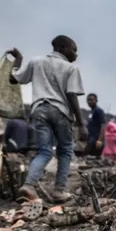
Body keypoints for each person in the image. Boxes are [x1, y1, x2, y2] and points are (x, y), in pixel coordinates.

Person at [6, 35, 85, 202]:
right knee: (65, 150)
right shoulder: (71, 68)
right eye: (74, 50)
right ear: (63, 48)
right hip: (60, 111)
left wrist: (19, 59)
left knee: (44, 151)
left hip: (39, 109)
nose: (76, 54)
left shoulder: (37, 61)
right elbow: (71, 95)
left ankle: (29, 185)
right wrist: (80, 122)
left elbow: (14, 78)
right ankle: (59, 190)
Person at [85, 93, 106, 157]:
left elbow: (103, 125)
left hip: (96, 141)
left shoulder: (99, 111)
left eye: (91, 100)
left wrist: (100, 140)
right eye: (88, 100)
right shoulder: (91, 111)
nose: (89, 102)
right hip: (90, 140)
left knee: (94, 159)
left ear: (96, 100)